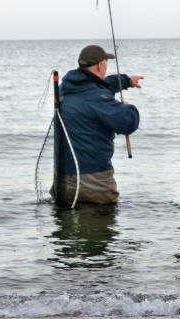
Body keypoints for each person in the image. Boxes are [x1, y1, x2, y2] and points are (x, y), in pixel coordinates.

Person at [52, 45, 143, 206]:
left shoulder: (64, 89)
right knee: (100, 229)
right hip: (94, 185)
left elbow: (99, 85)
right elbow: (128, 123)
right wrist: (128, 107)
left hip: (62, 183)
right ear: (101, 65)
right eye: (106, 64)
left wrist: (126, 81)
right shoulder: (96, 98)